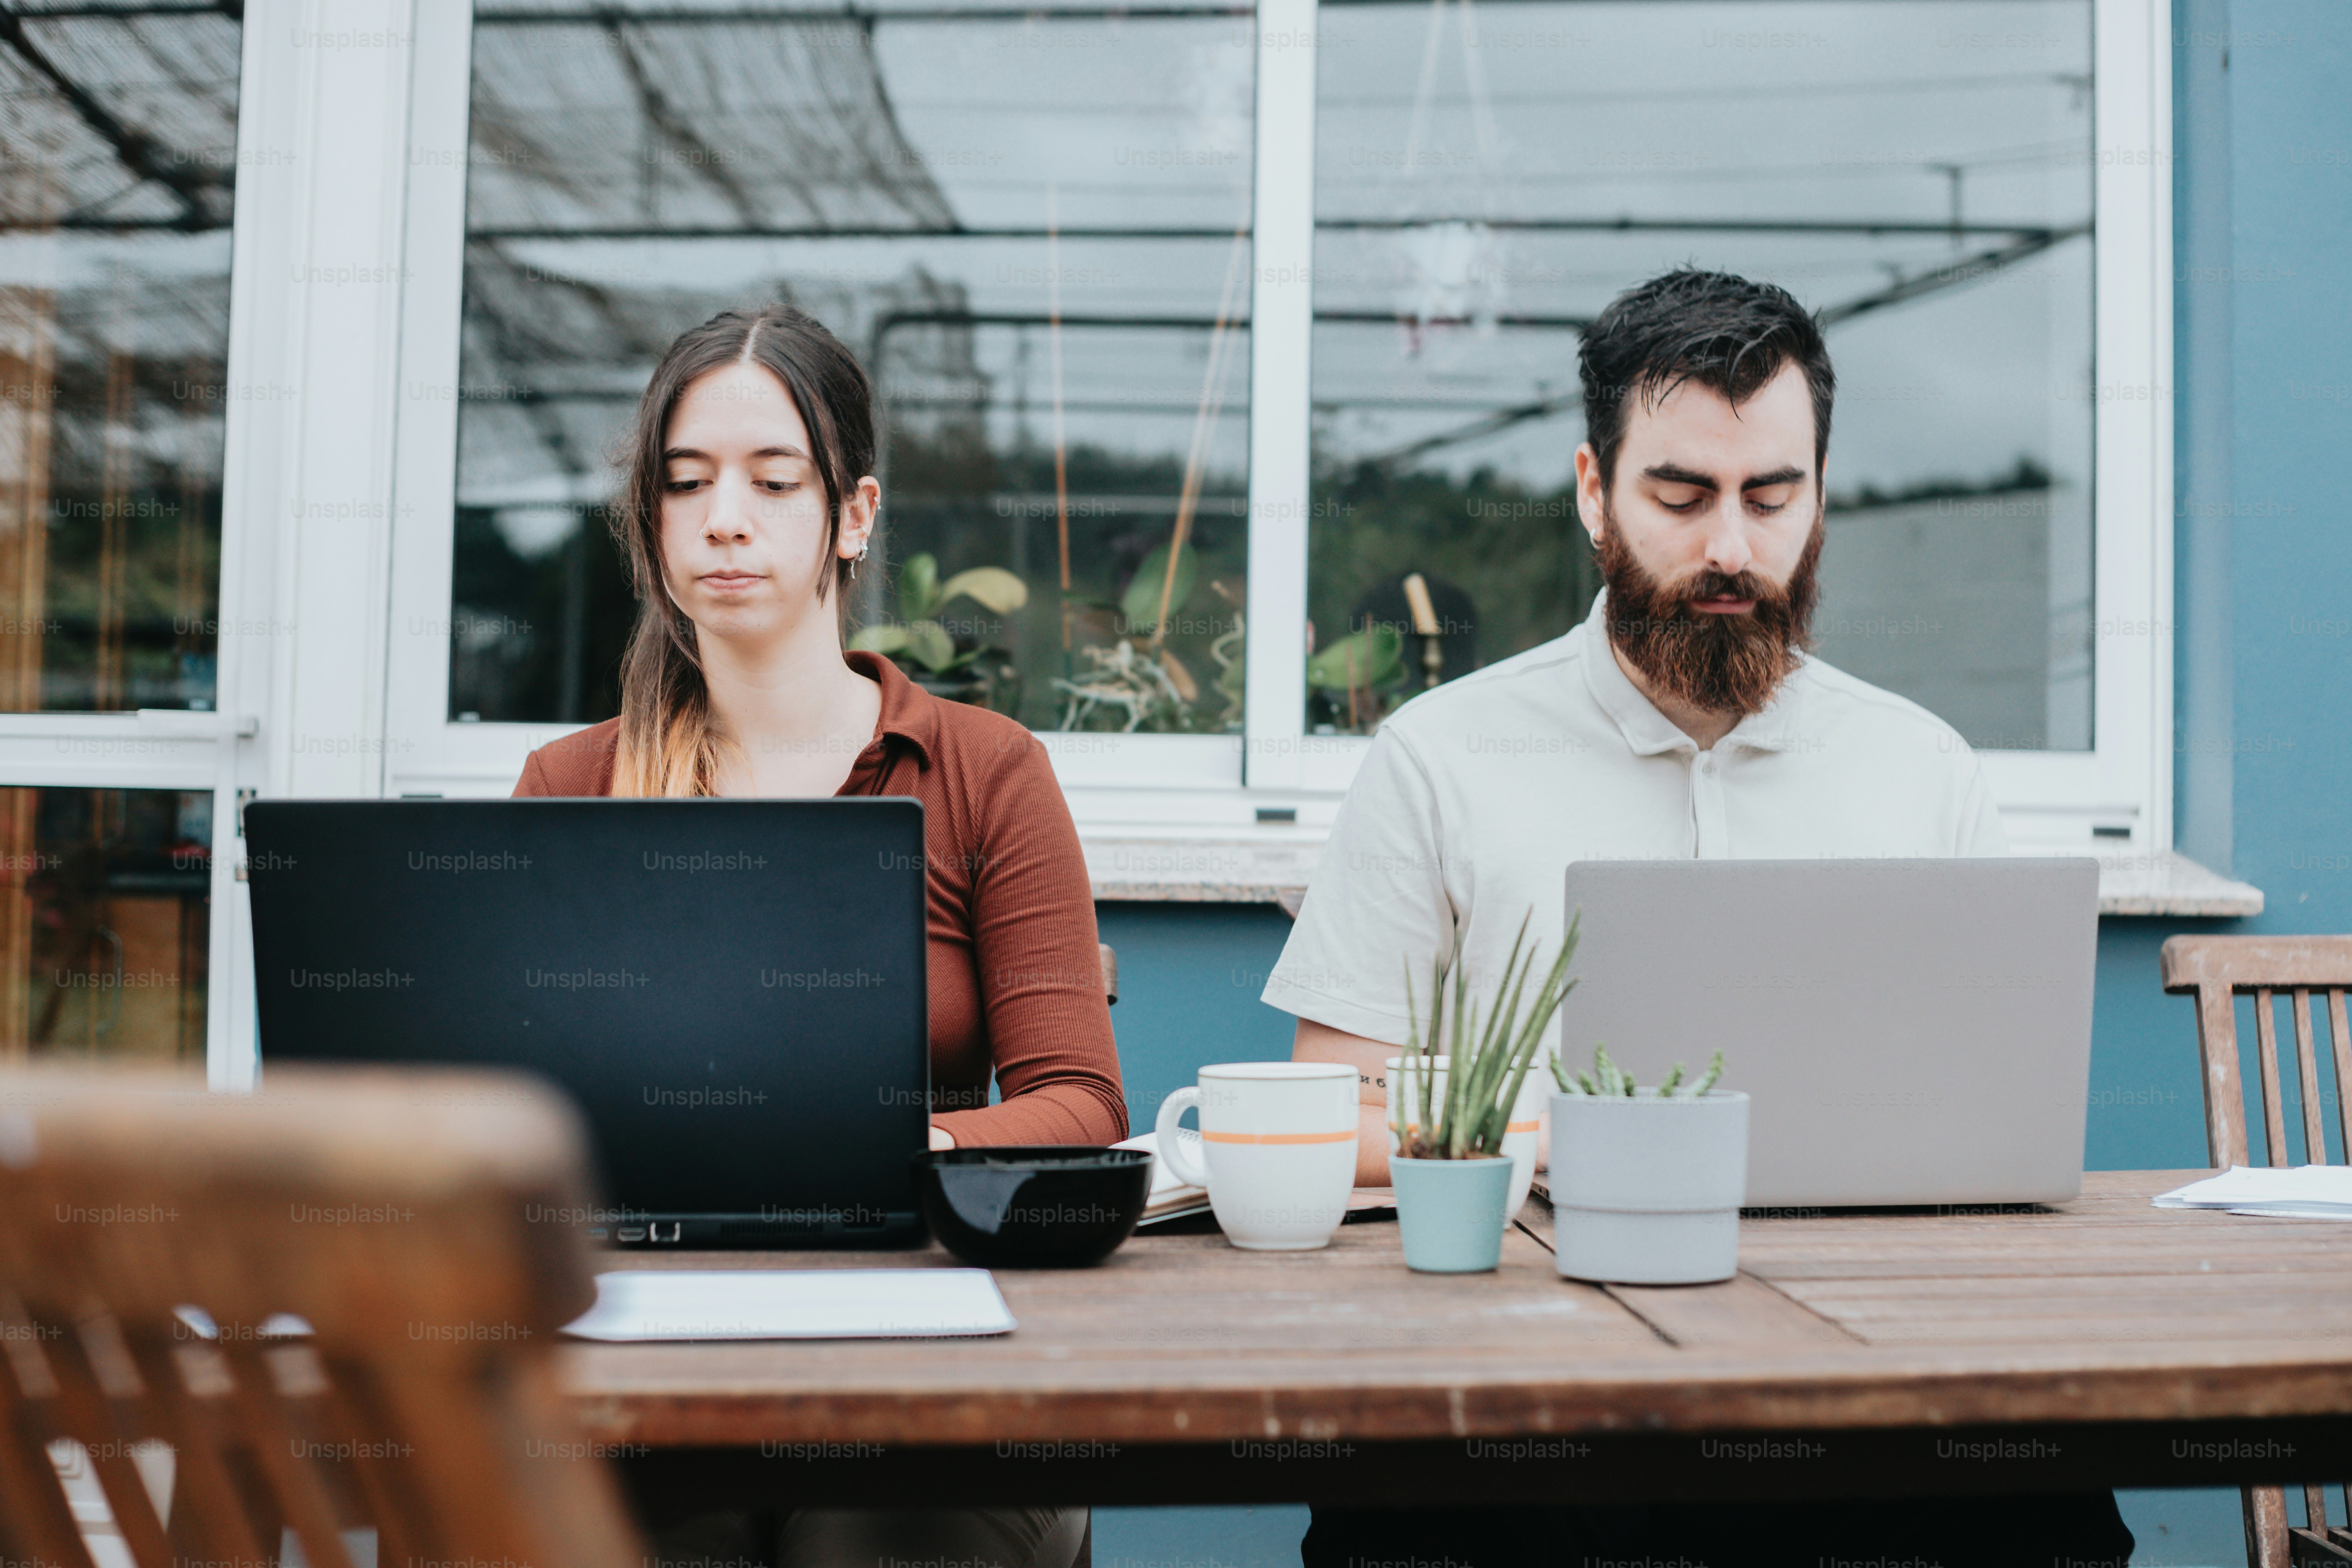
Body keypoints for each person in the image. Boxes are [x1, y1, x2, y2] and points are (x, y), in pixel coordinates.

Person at [1263, 269, 2133, 1568]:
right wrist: (1572, 1138)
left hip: (1868, 1382)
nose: (1731, 547)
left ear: (1821, 495)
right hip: (1534, 1374)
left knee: (2049, 1516)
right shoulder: (1442, 755)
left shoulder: (1924, 765)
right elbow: (1330, 1110)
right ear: (1591, 494)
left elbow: (1991, 1125)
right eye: (1681, 497)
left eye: (1772, 497)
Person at [513, 304, 1112, 1568]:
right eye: (687, 484)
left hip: (928, 1366)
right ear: (653, 522)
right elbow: (497, 1117)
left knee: (871, 1541)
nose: (724, 516)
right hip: (646, 1369)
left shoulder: (981, 771)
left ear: (853, 514)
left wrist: (888, 1150)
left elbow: (1077, 1105)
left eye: (773, 480)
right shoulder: (574, 787)